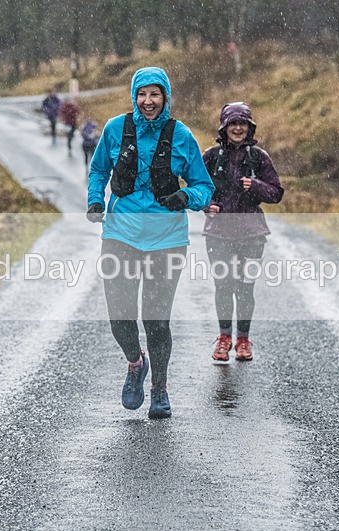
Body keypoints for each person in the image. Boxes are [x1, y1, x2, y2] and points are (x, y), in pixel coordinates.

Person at [86, 67, 214, 419]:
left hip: (166, 240)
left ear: (166, 98)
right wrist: (95, 199)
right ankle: (135, 363)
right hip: (120, 234)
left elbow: (205, 188)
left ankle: (159, 389)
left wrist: (185, 197)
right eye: (142, 95)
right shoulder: (115, 129)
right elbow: (98, 170)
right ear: (134, 96)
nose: (148, 101)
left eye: (155, 95)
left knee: (156, 321)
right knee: (119, 318)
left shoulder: (181, 135)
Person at [203, 102, 284, 362]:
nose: (237, 128)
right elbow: (196, 187)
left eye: (242, 124)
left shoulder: (259, 157)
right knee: (223, 287)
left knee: (245, 288)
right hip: (218, 234)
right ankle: (224, 338)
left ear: (249, 127)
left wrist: (256, 185)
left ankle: (243, 340)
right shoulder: (211, 156)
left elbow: (276, 193)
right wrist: (206, 205)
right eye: (232, 124)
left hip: (252, 236)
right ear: (224, 128)